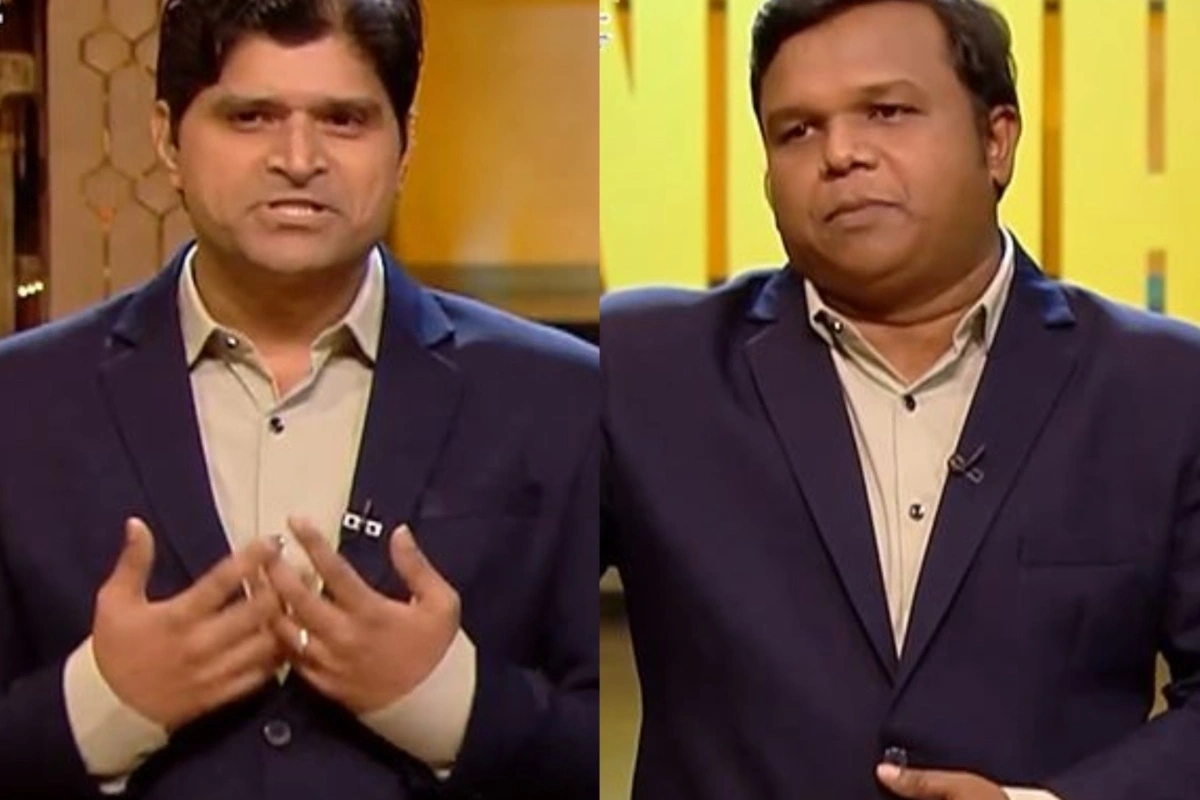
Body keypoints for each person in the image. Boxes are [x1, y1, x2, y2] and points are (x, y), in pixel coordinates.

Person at [601, 1, 1200, 798]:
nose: (840, 153)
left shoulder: (1163, 387)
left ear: (996, 141)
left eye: (886, 111)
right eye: (797, 130)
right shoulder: (643, 371)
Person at [0, 1, 597, 798]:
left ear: (405, 142)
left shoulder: (564, 399)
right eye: (250, 117)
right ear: (166, 138)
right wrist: (100, 707)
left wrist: (455, 704)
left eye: (344, 120)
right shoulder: (20, 404)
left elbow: (666, 736)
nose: (298, 158)